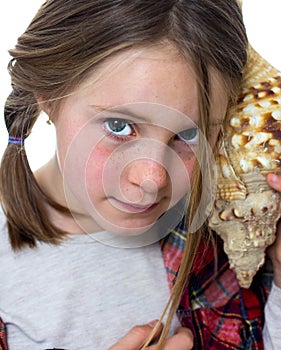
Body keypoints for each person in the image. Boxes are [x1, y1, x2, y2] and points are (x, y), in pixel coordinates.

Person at [0, 0, 280, 349]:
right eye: (120, 126)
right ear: (50, 96)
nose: (152, 179)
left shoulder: (215, 242)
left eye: (188, 135)